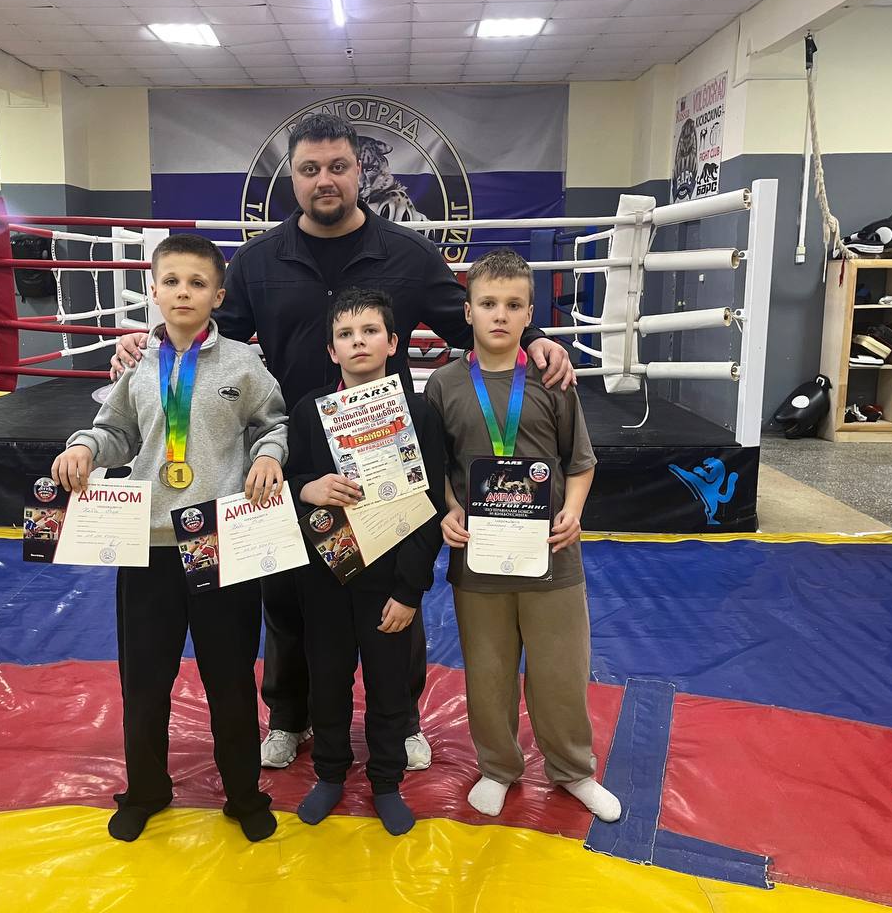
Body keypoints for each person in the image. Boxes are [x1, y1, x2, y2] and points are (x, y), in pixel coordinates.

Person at [110, 113, 576, 772]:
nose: (324, 180)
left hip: (384, 448)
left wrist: (536, 339)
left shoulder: (408, 254)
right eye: (309, 170)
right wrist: (151, 343)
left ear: (362, 172)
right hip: (291, 454)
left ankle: (401, 719)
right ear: (292, 179)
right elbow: (209, 336)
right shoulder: (260, 261)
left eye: (337, 167)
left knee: (394, 586)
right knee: (288, 593)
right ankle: (289, 716)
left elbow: (468, 319)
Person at [51, 233, 288, 844]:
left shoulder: (243, 364)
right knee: (145, 678)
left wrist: (269, 455)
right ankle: (146, 790)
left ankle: (244, 793)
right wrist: (84, 447)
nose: (185, 292)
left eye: (198, 283)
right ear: (154, 291)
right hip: (149, 543)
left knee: (229, 679)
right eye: (173, 282)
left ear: (219, 295)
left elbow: (274, 422)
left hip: (219, 540)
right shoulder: (138, 365)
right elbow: (116, 431)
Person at [424, 249, 621, 824]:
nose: (500, 315)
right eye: (488, 303)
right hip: (479, 557)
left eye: (513, 305)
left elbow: (580, 461)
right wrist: (450, 510)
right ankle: (498, 767)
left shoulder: (552, 378)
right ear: (468, 311)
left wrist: (573, 513)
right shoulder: (443, 385)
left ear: (530, 313)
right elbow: (437, 469)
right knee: (487, 671)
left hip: (551, 554)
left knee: (561, 669)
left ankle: (573, 769)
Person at [285, 288, 446, 836]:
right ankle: (330, 774)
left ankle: (385, 781)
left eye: (370, 331)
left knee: (389, 683)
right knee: (327, 680)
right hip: (326, 575)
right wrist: (308, 488)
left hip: (390, 579)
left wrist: (409, 590)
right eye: (346, 335)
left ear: (393, 343)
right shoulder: (308, 411)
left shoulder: (418, 413)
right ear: (331, 350)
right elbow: (288, 478)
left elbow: (430, 504)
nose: (358, 342)